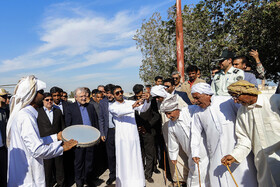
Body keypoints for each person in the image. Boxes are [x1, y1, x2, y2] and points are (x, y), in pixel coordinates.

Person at [6, 75, 77, 187]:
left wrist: (55, 137)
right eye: (41, 92)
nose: (43, 95)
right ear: (31, 94)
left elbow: (33, 141)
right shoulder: (26, 117)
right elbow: (37, 150)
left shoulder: (24, 114)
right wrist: (62, 148)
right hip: (29, 180)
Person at [190, 83, 257, 187]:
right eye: (194, 98)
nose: (195, 101)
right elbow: (195, 133)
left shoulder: (227, 101)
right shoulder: (197, 112)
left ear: (207, 94)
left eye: (197, 98)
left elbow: (244, 114)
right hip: (216, 152)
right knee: (219, 178)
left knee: (244, 176)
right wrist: (195, 152)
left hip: (236, 147)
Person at [221, 80, 280, 186]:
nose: (235, 101)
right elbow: (244, 140)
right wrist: (234, 155)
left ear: (247, 92)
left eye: (236, 96)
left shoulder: (274, 101)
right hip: (263, 163)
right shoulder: (242, 113)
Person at [160, 95, 209, 187]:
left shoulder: (190, 111)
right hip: (191, 155)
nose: (168, 116)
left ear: (177, 109)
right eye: (166, 114)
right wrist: (173, 156)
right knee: (195, 177)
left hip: (205, 151)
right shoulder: (171, 125)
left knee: (203, 177)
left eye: (169, 113)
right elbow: (172, 142)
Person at [109, 85, 151, 187]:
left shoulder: (129, 102)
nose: (120, 94)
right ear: (113, 96)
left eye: (121, 91)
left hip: (133, 136)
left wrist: (147, 101)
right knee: (124, 161)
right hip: (122, 138)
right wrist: (133, 106)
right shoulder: (112, 106)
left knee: (135, 159)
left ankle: (138, 183)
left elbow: (143, 109)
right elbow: (120, 112)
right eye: (117, 93)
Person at [150, 85, 189, 186]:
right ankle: (177, 179)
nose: (157, 99)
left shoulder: (176, 98)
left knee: (183, 152)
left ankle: (187, 177)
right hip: (167, 131)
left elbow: (185, 111)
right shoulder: (159, 102)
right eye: (156, 98)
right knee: (172, 153)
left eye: (158, 97)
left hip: (180, 128)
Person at [65, 87, 99, 187]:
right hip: (77, 140)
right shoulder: (70, 108)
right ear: (75, 97)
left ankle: (87, 179)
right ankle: (79, 180)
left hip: (90, 139)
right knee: (79, 162)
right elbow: (68, 124)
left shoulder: (91, 107)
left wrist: (97, 136)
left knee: (89, 160)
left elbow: (95, 122)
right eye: (81, 96)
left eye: (85, 96)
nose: (84, 98)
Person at [128, 84, 160, 183]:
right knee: (139, 153)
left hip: (148, 131)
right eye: (136, 95)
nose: (138, 96)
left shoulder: (150, 100)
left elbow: (156, 116)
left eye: (140, 94)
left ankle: (148, 174)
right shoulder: (130, 101)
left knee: (149, 154)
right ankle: (140, 172)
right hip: (136, 131)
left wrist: (147, 126)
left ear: (143, 91)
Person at [37, 93, 66, 187]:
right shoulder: (38, 112)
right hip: (45, 144)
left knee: (59, 167)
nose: (49, 101)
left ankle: (61, 184)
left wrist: (64, 140)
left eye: (51, 99)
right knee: (47, 169)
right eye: (47, 100)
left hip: (58, 144)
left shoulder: (58, 111)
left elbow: (62, 126)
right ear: (43, 101)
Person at [99, 84, 116, 185]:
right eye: (107, 93)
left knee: (120, 154)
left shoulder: (120, 101)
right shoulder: (103, 102)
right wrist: (102, 133)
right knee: (111, 155)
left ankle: (122, 174)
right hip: (108, 131)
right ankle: (112, 175)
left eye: (110, 93)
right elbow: (101, 118)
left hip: (120, 131)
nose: (109, 95)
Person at [0, 88, 9, 187]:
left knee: (4, 173)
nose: (6, 98)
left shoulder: (5, 111)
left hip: (3, 148)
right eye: (3, 96)